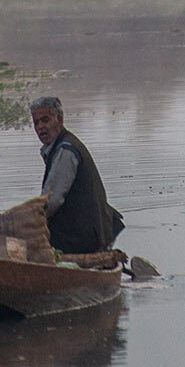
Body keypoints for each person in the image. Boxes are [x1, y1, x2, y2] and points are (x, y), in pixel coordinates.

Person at [30, 96, 124, 253]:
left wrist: (27, 224)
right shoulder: (62, 146)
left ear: (59, 120)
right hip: (93, 231)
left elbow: (50, 202)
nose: (40, 127)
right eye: (36, 122)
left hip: (81, 238)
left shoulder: (65, 151)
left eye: (45, 120)